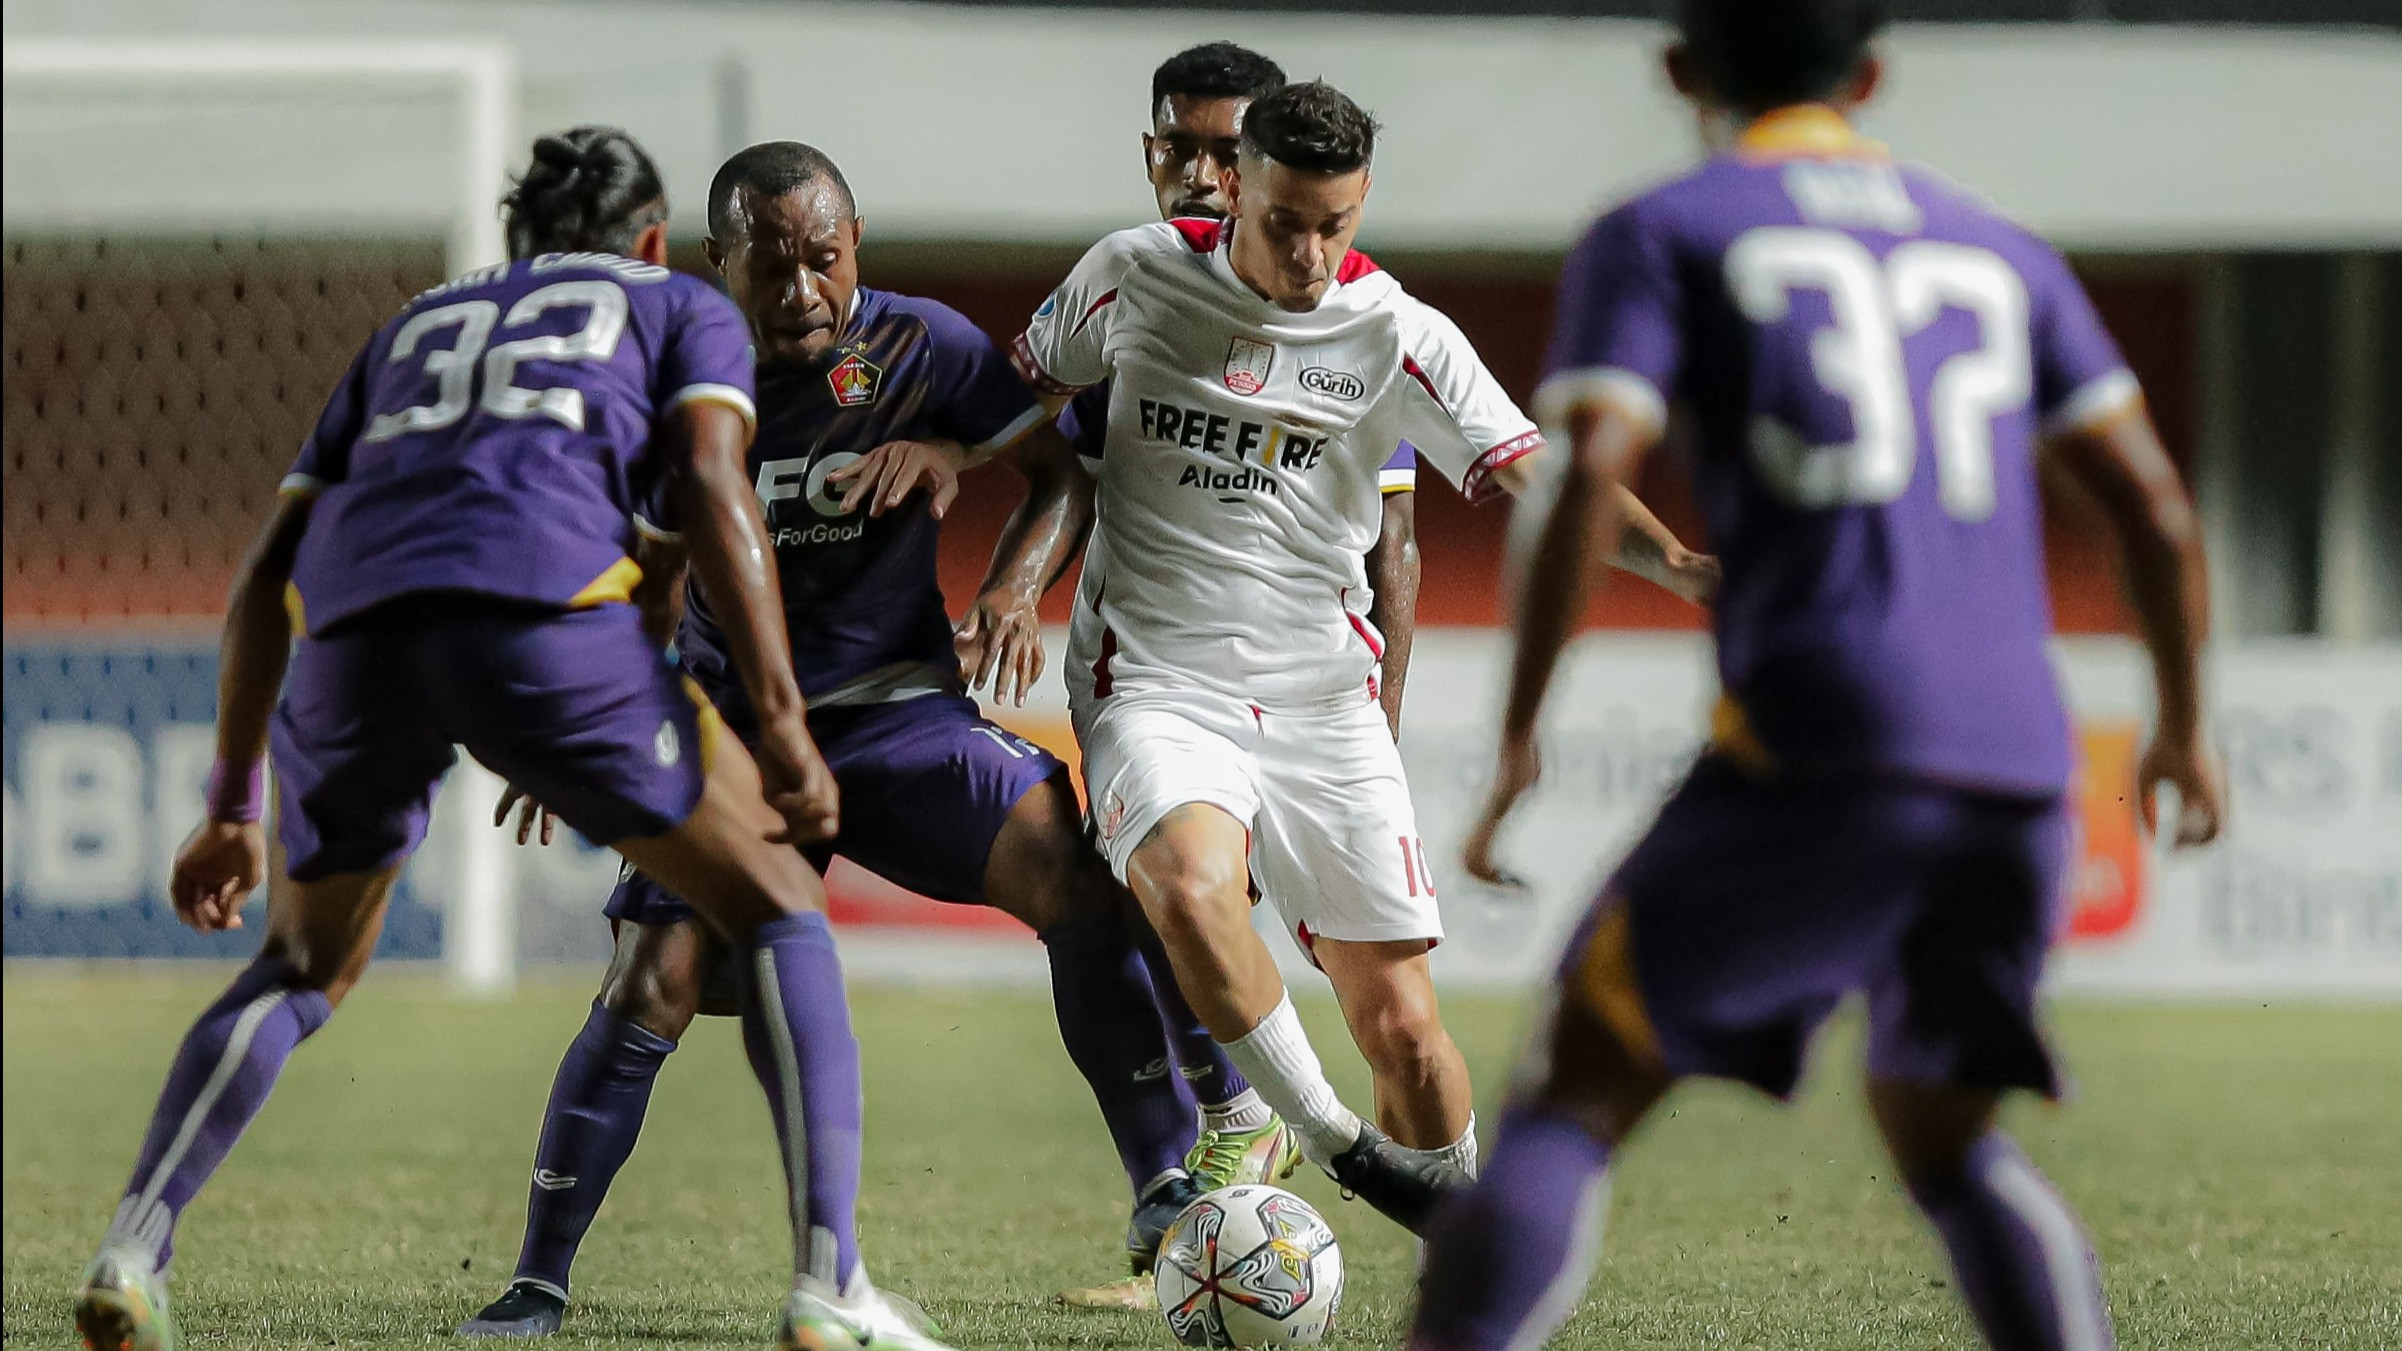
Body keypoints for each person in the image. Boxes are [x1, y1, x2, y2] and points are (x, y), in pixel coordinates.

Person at [1409, 2, 2224, 1347]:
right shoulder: (1997, 245)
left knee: (1572, 1087)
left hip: (1826, 735)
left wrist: (1516, 735)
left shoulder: (1667, 227)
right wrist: (2184, 725)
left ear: (1678, 71)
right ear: (1869, 73)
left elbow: (1585, 471)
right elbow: (2151, 509)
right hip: (2022, 759)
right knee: (1942, 1134)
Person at [71, 126, 950, 1351]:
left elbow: (267, 568)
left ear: (515, 243)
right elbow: (710, 489)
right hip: (542, 625)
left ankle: (129, 1250)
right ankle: (830, 1284)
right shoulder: (673, 307)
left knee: (297, 971)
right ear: (653, 240)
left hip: (352, 637)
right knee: (776, 907)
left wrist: (230, 804)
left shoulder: (415, 327)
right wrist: (783, 725)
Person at [455, 140, 1214, 1339]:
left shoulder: (922, 346)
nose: (805, 288)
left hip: (900, 713)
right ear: (720, 263)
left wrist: (1013, 590)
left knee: (1076, 864)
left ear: (855, 243)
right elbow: (624, 571)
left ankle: (1164, 1184)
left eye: (826, 257)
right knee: (651, 984)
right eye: (774, 265)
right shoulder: (665, 378)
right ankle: (536, 1281)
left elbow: (1057, 477)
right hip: (735, 739)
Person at [1011, 80, 1715, 1234]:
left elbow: (1543, 477)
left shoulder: (1397, 331)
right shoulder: (1133, 272)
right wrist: (931, 469)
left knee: (1402, 1028)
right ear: (1232, 186)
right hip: (1156, 680)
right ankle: (1334, 1143)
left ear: (1361, 204)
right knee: (1189, 887)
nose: (1307, 251)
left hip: (1322, 701)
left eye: (1332, 225)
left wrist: (1679, 563)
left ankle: (1462, 1242)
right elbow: (1014, 389)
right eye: (1283, 222)